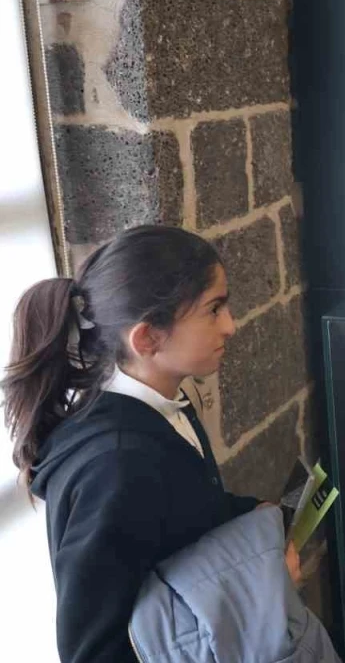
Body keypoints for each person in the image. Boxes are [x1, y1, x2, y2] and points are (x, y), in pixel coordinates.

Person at [1, 225, 301, 663]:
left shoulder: (168, 404)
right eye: (213, 309)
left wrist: (254, 512)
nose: (231, 326)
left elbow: (180, 512)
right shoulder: (116, 467)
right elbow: (93, 652)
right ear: (146, 338)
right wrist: (261, 584)